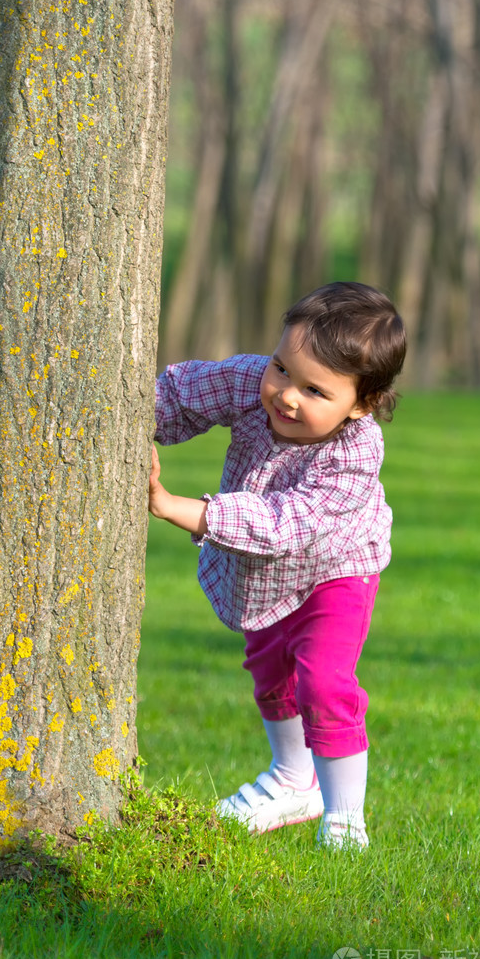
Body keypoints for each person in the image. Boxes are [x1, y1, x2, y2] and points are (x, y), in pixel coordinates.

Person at [148, 281, 406, 849]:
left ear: (361, 404)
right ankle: (292, 778)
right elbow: (185, 394)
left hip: (338, 567)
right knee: (269, 670)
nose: (287, 395)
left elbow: (287, 524)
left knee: (324, 680)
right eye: (282, 368)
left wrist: (176, 507)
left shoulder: (356, 451)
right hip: (265, 573)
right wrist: (135, 423)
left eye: (314, 390)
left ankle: (344, 819)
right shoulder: (253, 382)